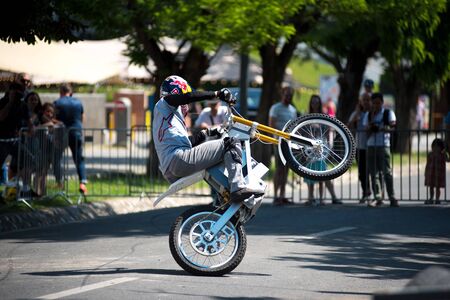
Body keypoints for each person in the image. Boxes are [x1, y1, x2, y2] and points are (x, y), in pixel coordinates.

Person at [152, 75, 264, 203]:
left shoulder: (168, 117)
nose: (186, 107)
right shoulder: (164, 103)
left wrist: (207, 133)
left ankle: (223, 199)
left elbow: (187, 143)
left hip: (173, 166)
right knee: (231, 143)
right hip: (178, 159)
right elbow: (187, 97)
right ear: (177, 90)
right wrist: (216, 94)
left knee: (218, 158)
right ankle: (237, 187)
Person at [304, 95, 341, 205]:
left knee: (322, 173)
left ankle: (321, 198)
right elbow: (303, 132)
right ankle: (311, 197)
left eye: (317, 102)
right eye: (313, 102)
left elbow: (328, 131)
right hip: (309, 148)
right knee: (309, 174)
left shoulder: (323, 116)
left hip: (321, 149)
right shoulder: (306, 116)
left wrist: (329, 147)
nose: (315, 104)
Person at [363, 92, 399, 207]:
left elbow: (393, 127)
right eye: (373, 103)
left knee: (387, 172)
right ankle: (377, 197)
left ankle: (392, 196)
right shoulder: (368, 115)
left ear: (382, 103)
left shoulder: (388, 113)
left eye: (378, 103)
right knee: (374, 173)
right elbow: (365, 131)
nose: (376, 106)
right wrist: (371, 125)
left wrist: (382, 128)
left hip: (384, 145)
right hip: (371, 145)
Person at [0, 82, 35, 197]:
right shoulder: (3, 102)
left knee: (29, 160)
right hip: (2, 141)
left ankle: (22, 188)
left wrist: (28, 130)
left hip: (14, 140)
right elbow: (1, 117)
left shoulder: (22, 105)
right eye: (16, 92)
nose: (18, 95)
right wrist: (10, 102)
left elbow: (30, 125)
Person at [54, 83, 88, 194]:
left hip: (61, 133)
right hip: (76, 132)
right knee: (79, 159)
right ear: (71, 92)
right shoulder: (78, 102)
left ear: (61, 92)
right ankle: (82, 183)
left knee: (57, 158)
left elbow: (53, 118)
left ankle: (60, 183)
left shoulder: (57, 103)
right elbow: (82, 117)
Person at [268, 86, 298, 206]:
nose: (288, 98)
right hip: (278, 141)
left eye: (290, 96)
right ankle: (276, 195)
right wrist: (274, 139)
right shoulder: (275, 108)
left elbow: (295, 125)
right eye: (286, 95)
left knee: (286, 169)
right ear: (282, 95)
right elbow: (271, 125)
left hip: (289, 142)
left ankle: (282, 195)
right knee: (279, 169)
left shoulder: (292, 109)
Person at [348, 93, 372, 203]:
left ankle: (376, 193)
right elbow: (348, 125)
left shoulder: (373, 113)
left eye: (368, 100)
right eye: (364, 100)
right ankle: (365, 192)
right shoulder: (357, 113)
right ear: (360, 102)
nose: (366, 102)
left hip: (372, 146)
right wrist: (357, 112)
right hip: (360, 146)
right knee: (362, 172)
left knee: (372, 171)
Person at [424, 138, 448, 205]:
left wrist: (446, 152)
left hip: (439, 173)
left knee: (438, 187)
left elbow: (447, 160)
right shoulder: (430, 154)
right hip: (431, 172)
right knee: (431, 186)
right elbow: (427, 163)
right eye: (434, 146)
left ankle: (437, 199)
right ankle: (431, 198)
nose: (436, 148)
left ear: (441, 148)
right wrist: (426, 172)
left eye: (438, 147)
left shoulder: (442, 155)